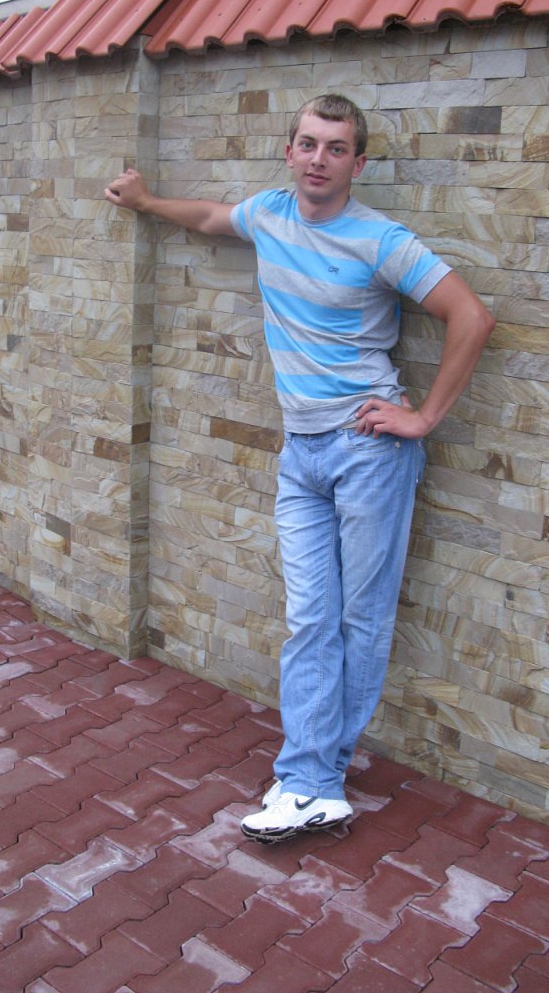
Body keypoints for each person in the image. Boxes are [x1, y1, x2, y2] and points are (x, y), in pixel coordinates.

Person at [105, 94, 494, 843]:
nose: (320, 159)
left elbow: (471, 317)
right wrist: (147, 202)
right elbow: (212, 217)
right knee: (311, 618)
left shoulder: (380, 240)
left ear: (358, 163)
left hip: (369, 451)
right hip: (302, 456)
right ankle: (315, 783)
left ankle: (311, 782)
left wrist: (422, 418)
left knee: (360, 619)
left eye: (336, 148)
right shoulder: (270, 215)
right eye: (309, 144)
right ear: (289, 152)